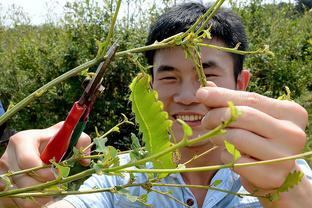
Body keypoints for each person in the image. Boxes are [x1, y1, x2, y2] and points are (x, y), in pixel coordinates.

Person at [0, 2, 312, 208]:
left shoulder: (280, 167)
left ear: (241, 84)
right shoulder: (121, 178)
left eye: (207, 74)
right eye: (169, 76)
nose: (188, 95)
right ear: (150, 87)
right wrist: (13, 196)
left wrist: (286, 191)